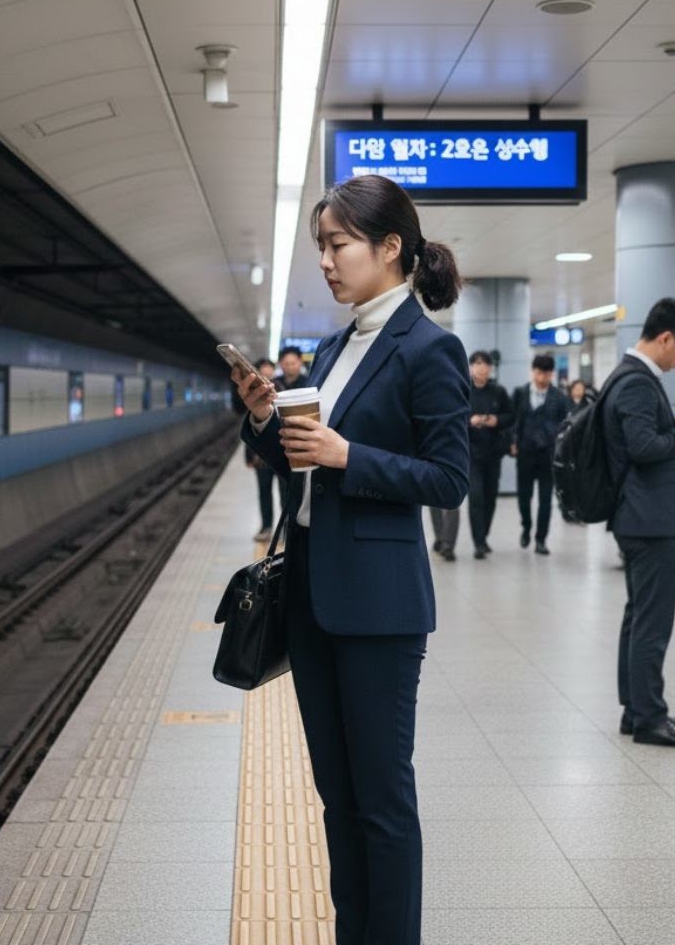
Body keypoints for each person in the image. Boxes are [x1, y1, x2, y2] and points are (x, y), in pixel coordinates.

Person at [234, 173, 469, 945]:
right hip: (312, 597)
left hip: (379, 607)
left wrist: (347, 456)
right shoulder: (335, 347)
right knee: (337, 797)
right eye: (322, 247)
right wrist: (268, 417)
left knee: (382, 801)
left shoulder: (429, 349)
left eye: (337, 245)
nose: (327, 262)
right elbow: (304, 462)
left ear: (390, 247)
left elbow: (448, 478)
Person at [602, 297, 675, 747]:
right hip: (649, 520)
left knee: (639, 615)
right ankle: (649, 717)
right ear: (665, 338)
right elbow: (644, 446)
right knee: (652, 621)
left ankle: (636, 708)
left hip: (640, 516)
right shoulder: (637, 383)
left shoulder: (630, 376)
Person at [511, 355, 568, 555]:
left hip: (548, 454)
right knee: (523, 497)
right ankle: (526, 525)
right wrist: (513, 441)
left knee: (546, 499)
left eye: (545, 373)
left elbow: (565, 426)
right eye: (538, 372)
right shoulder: (520, 393)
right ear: (532, 371)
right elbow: (513, 420)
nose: (541, 377)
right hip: (525, 452)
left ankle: (541, 539)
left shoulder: (559, 398)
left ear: (551, 374)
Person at [466, 350, 513, 558]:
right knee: (476, 497)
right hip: (471, 453)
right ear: (471, 367)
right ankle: (478, 542)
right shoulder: (463, 389)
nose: (482, 368)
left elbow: (510, 416)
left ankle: (483, 536)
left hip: (493, 453)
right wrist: (470, 421)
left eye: (486, 364)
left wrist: (496, 421)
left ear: (490, 368)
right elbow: (454, 417)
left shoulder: (498, 391)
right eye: (477, 364)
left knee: (490, 497)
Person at [245, 358, 279, 542]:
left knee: (286, 493)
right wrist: (249, 455)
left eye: (269, 372)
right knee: (264, 492)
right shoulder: (252, 394)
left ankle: (286, 529)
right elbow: (250, 426)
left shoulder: (282, 389)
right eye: (263, 372)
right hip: (261, 457)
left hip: (282, 453)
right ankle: (266, 527)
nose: (266, 375)